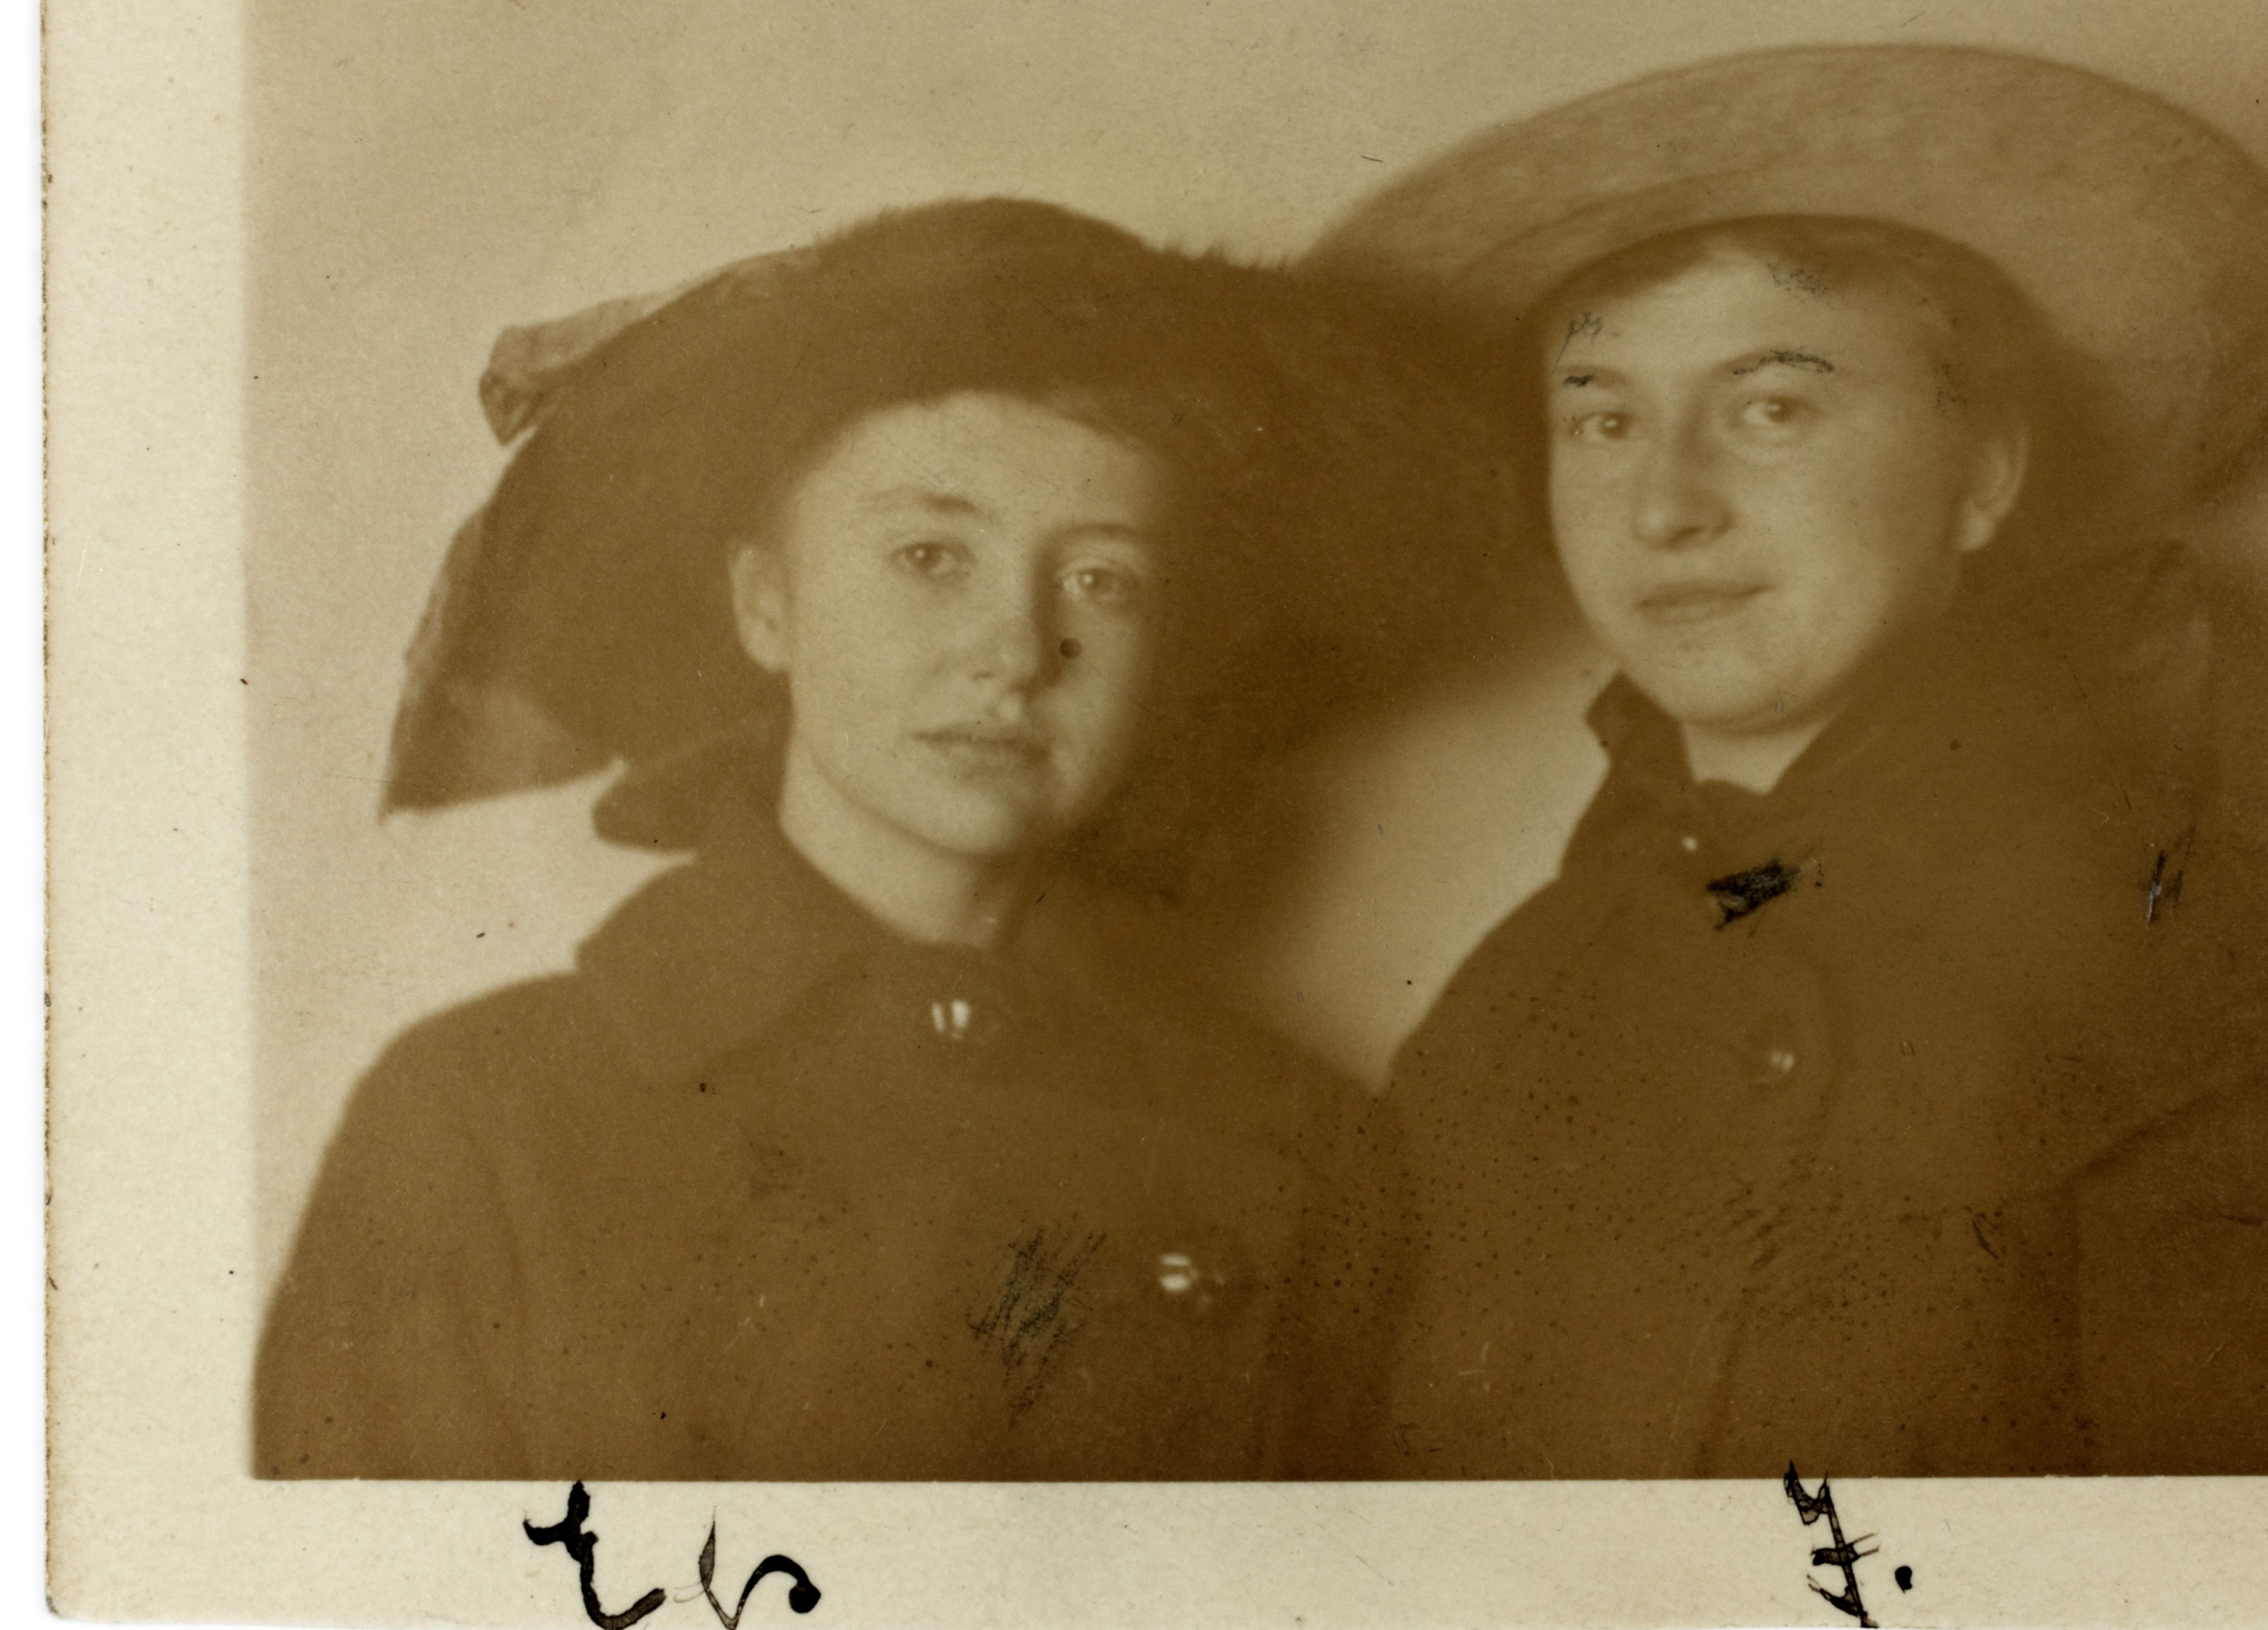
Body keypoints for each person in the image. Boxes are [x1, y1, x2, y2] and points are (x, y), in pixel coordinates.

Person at [1310, 45, 2268, 1478]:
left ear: (1981, 477)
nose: (1663, 505)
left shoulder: (2225, 998)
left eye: (1771, 407)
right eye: (1603, 419)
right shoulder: (1508, 1006)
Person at [257, 199, 1489, 1480]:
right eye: (929, 555)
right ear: (767, 603)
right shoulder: (482, 1122)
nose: (1017, 651)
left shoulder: (1306, 1150)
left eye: (1103, 579)